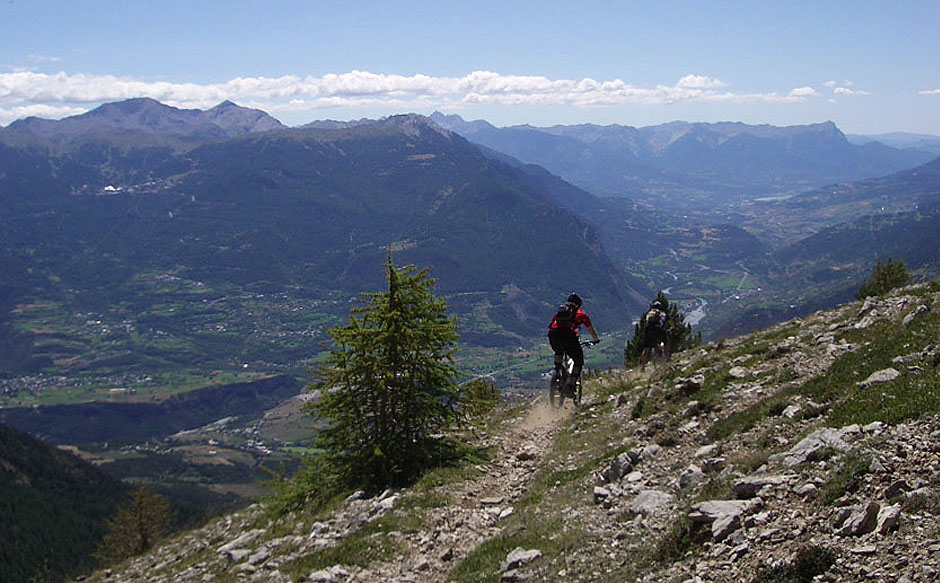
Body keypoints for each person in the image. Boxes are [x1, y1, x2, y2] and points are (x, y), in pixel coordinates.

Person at [548, 293, 600, 394]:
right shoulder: (581, 314)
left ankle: (557, 369)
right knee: (578, 360)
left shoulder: (560, 312)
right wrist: (596, 339)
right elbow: (590, 329)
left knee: (559, 351)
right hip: (568, 335)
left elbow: (553, 323)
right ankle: (570, 385)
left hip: (553, 334)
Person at [640, 300, 670, 370]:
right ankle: (667, 358)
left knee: (646, 349)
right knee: (666, 342)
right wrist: (672, 327)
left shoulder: (649, 313)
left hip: (648, 330)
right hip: (658, 329)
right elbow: (670, 322)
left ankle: (642, 367)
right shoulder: (662, 313)